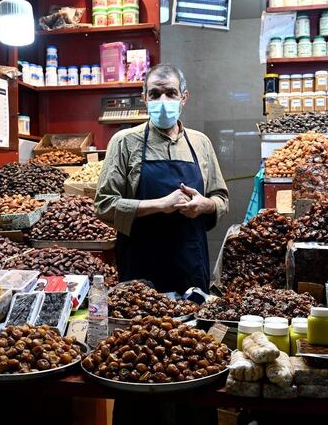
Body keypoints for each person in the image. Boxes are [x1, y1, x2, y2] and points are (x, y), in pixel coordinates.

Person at [95, 63, 229, 294]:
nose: (163, 100)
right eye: (155, 94)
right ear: (144, 98)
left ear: (184, 97)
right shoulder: (124, 141)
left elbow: (221, 198)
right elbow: (104, 204)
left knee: (192, 327)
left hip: (190, 261)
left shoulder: (201, 143)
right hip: (141, 262)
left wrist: (204, 204)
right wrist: (160, 205)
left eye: (171, 93)